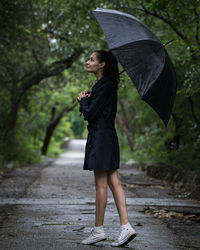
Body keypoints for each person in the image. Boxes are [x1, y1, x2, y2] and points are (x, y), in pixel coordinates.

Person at [77, 50, 136, 247]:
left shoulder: (104, 87)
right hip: (107, 137)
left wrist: (83, 101)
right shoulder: (103, 86)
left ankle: (98, 230)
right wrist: (90, 97)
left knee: (101, 185)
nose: (88, 62)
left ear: (102, 65)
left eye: (92, 59)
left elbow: (91, 115)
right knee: (114, 182)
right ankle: (125, 226)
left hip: (101, 138)